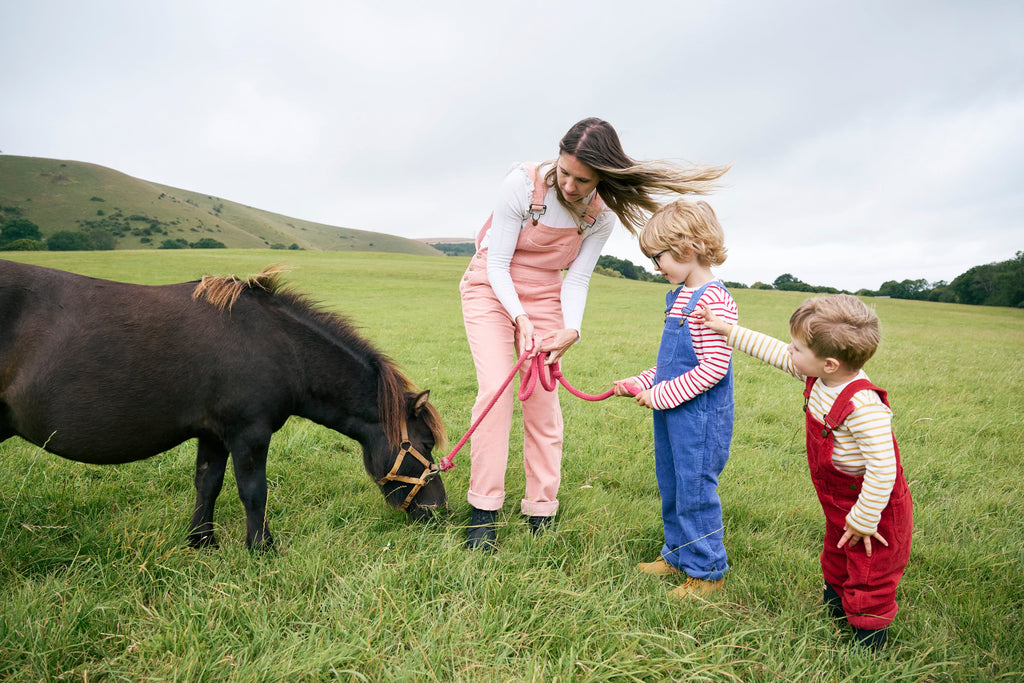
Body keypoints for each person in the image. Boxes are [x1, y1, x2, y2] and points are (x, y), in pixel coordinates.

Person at [459, 117, 729, 550]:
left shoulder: (599, 217)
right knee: (496, 391)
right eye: (564, 172)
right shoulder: (520, 185)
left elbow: (577, 279)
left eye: (582, 180)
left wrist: (571, 330)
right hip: (492, 290)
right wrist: (520, 320)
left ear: (602, 177)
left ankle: (540, 509)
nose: (569, 185)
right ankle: (483, 510)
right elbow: (496, 264)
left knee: (543, 405)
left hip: (546, 294)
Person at [694, 294, 912, 650]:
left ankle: (869, 639)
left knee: (870, 570)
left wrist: (865, 517)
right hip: (839, 499)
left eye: (797, 348)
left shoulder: (863, 406)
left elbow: (884, 468)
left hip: (875, 507)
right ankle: (837, 607)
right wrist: (725, 330)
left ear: (828, 363)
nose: (789, 352)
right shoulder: (823, 375)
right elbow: (774, 351)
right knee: (836, 554)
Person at [611, 199, 737, 598]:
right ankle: (678, 554)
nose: (656, 266)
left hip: (699, 417)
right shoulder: (679, 295)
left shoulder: (714, 301)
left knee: (696, 489)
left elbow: (713, 368)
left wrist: (660, 394)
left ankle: (706, 572)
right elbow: (672, 365)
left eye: (659, 256)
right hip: (672, 412)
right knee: (672, 484)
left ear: (689, 246)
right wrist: (640, 381)